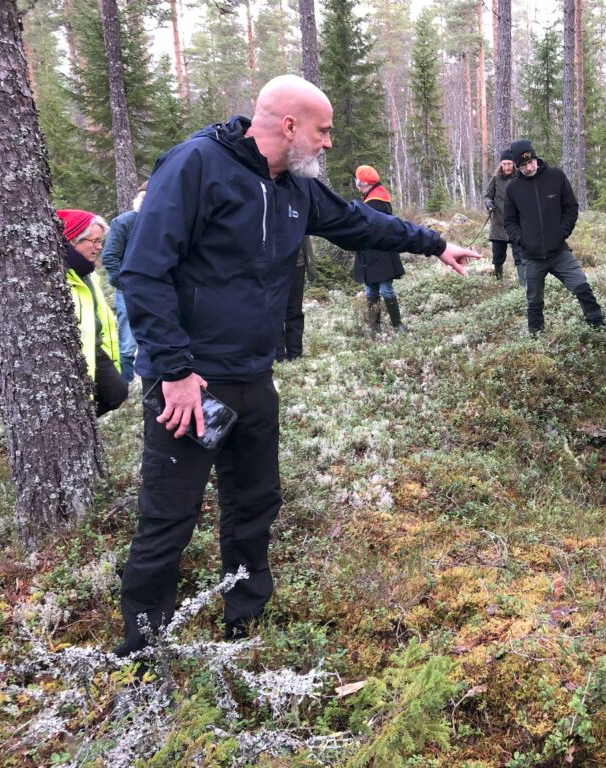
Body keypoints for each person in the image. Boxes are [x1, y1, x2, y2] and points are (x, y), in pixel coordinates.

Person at [115, 75, 480, 656]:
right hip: (192, 383)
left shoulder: (294, 186)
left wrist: (434, 244)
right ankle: (141, 649)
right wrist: (175, 373)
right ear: (289, 125)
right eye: (323, 130)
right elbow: (142, 271)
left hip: (254, 378)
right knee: (168, 517)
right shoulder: (196, 166)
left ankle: (246, 620)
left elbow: (361, 223)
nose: (329, 142)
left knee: (255, 501)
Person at [503, 139, 605, 335]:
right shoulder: (513, 188)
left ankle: (600, 329)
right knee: (534, 302)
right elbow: (509, 222)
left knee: (583, 288)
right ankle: (536, 338)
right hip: (531, 257)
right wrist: (522, 239)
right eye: (523, 165)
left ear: (535, 157)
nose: (529, 167)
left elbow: (571, 208)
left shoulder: (555, 176)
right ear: (517, 166)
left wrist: (561, 233)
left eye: (531, 161)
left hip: (559, 253)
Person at [56, 209, 129, 416]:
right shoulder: (61, 275)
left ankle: (81, 425)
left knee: (117, 393)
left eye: (100, 241)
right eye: (94, 241)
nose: (99, 247)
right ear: (73, 240)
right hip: (74, 355)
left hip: (95, 350)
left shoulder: (87, 272)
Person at [101, 181, 148, 381]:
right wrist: (126, 285)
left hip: (162, 291)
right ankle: (125, 386)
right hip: (129, 292)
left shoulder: (167, 222)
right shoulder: (123, 223)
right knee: (128, 343)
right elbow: (110, 257)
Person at [352, 165, 406, 335]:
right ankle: (377, 326)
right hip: (375, 253)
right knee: (372, 290)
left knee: (384, 290)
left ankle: (396, 326)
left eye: (358, 180)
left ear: (363, 183)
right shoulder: (377, 196)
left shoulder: (374, 201)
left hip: (379, 253)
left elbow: (368, 228)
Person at [483, 149, 524, 286]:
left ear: (513, 164)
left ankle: (523, 284)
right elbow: (488, 196)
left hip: (517, 224)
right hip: (498, 223)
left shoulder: (520, 178)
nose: (506, 167)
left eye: (509, 164)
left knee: (520, 255)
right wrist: (489, 205)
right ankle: (498, 282)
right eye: (504, 164)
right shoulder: (495, 178)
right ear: (501, 164)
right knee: (498, 256)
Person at [276, 235, 313, 360]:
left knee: (294, 311)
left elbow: (305, 236)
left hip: (297, 265)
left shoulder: (299, 215)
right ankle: (278, 356)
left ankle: (295, 355)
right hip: (273, 265)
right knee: (275, 312)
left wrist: (311, 266)